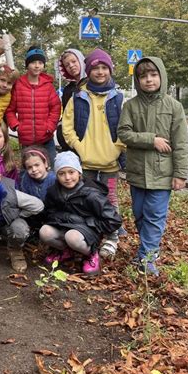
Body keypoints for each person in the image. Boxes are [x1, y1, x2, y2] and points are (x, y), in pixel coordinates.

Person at [117, 57, 188, 276]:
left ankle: (147, 258)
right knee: (139, 214)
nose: (148, 80)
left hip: (162, 173)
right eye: (143, 76)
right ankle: (148, 249)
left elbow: (181, 143)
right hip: (138, 171)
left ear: (161, 76)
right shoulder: (130, 105)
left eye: (153, 75)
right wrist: (152, 140)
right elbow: (123, 133)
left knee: (155, 216)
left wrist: (180, 174)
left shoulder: (174, 106)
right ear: (138, 80)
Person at [62, 48, 125, 259]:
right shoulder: (79, 97)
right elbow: (67, 127)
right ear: (88, 71)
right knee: (85, 199)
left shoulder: (118, 98)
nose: (100, 72)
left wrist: (118, 147)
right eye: (95, 68)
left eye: (104, 67)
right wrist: (79, 147)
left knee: (111, 200)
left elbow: (126, 128)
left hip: (110, 163)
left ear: (110, 69)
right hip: (86, 163)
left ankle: (112, 237)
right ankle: (92, 232)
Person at [40, 152, 121, 276]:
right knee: (44, 231)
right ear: (56, 175)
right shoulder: (54, 192)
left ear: (79, 172)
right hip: (64, 226)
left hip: (88, 231)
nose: (67, 177)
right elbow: (49, 212)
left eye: (71, 172)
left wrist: (88, 223)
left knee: (72, 237)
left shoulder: (92, 194)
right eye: (62, 173)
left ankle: (91, 254)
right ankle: (66, 251)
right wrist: (65, 218)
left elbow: (114, 220)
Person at [5, 45, 61, 165]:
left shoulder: (48, 86)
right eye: (33, 62)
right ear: (27, 65)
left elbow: (55, 108)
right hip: (27, 140)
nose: (37, 66)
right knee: (28, 170)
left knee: (51, 168)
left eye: (40, 62)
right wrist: (16, 125)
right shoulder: (18, 85)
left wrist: (50, 126)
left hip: (46, 138)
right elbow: (10, 110)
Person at [56, 48, 86, 151]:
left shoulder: (93, 85)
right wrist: (61, 133)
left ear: (81, 61)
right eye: (67, 65)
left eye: (74, 61)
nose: (71, 66)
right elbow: (65, 116)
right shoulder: (68, 90)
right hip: (71, 143)